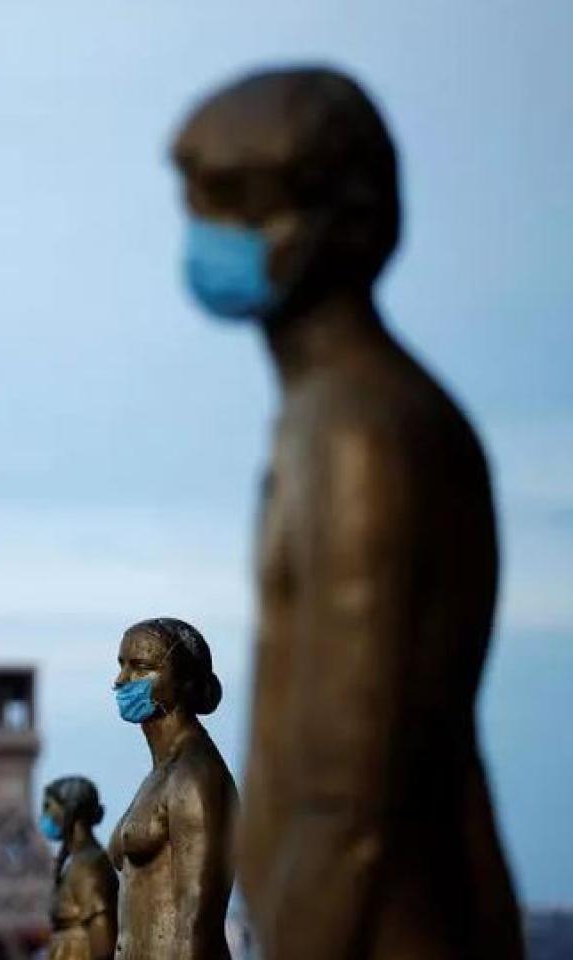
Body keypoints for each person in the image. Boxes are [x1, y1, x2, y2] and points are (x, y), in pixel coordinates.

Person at [173, 67, 523, 958]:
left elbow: (346, 793)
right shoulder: (335, 419)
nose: (203, 233)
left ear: (333, 224)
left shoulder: (357, 436)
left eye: (231, 203)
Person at [107, 618, 236, 960]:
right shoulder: (161, 774)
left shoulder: (194, 774)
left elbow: (198, 921)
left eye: (141, 667)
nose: (121, 680)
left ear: (182, 682)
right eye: (122, 665)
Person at [42, 776, 118, 960]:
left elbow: (102, 937)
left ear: (70, 811)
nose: (45, 816)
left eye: (48, 807)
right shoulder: (74, 863)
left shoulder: (88, 866)